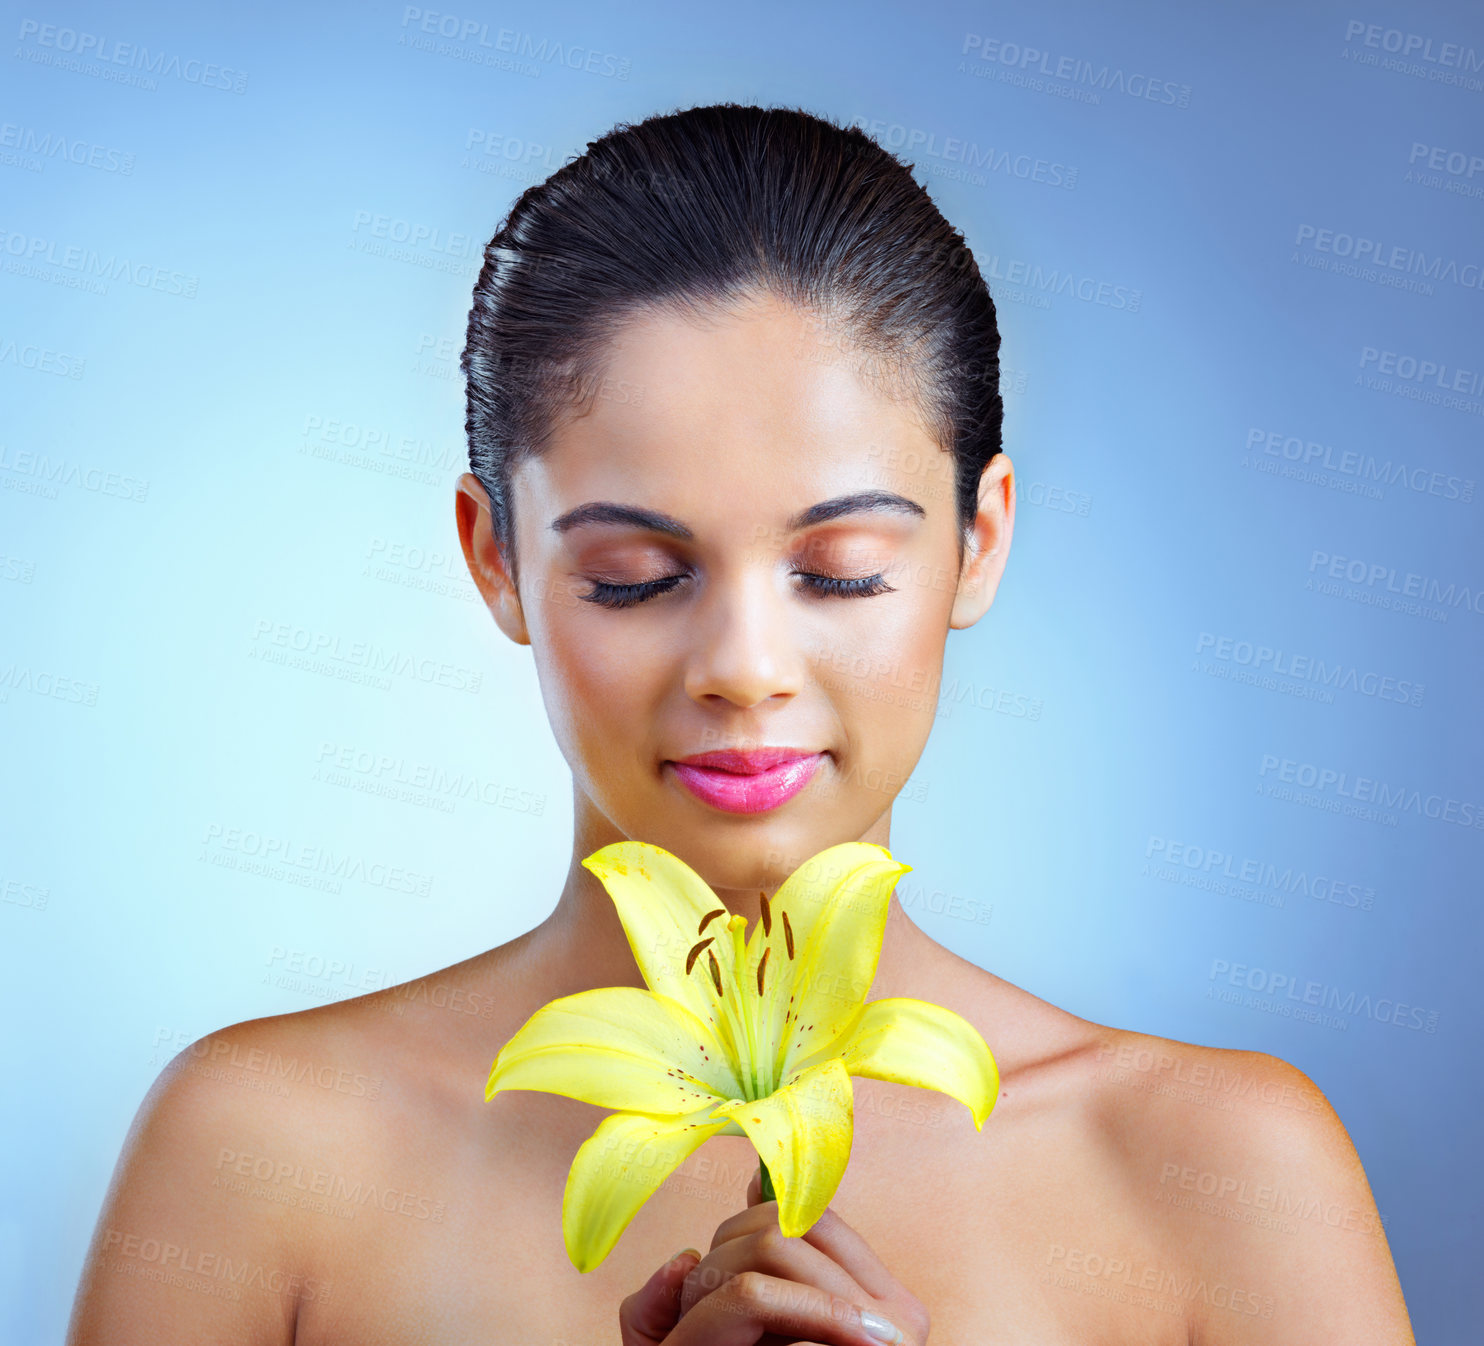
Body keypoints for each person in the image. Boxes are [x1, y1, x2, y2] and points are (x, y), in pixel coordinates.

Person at [67, 103, 1414, 1345]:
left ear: (979, 538)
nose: (746, 667)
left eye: (837, 570)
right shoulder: (256, 1157)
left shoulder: (1228, 1172)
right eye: (636, 578)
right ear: (495, 559)